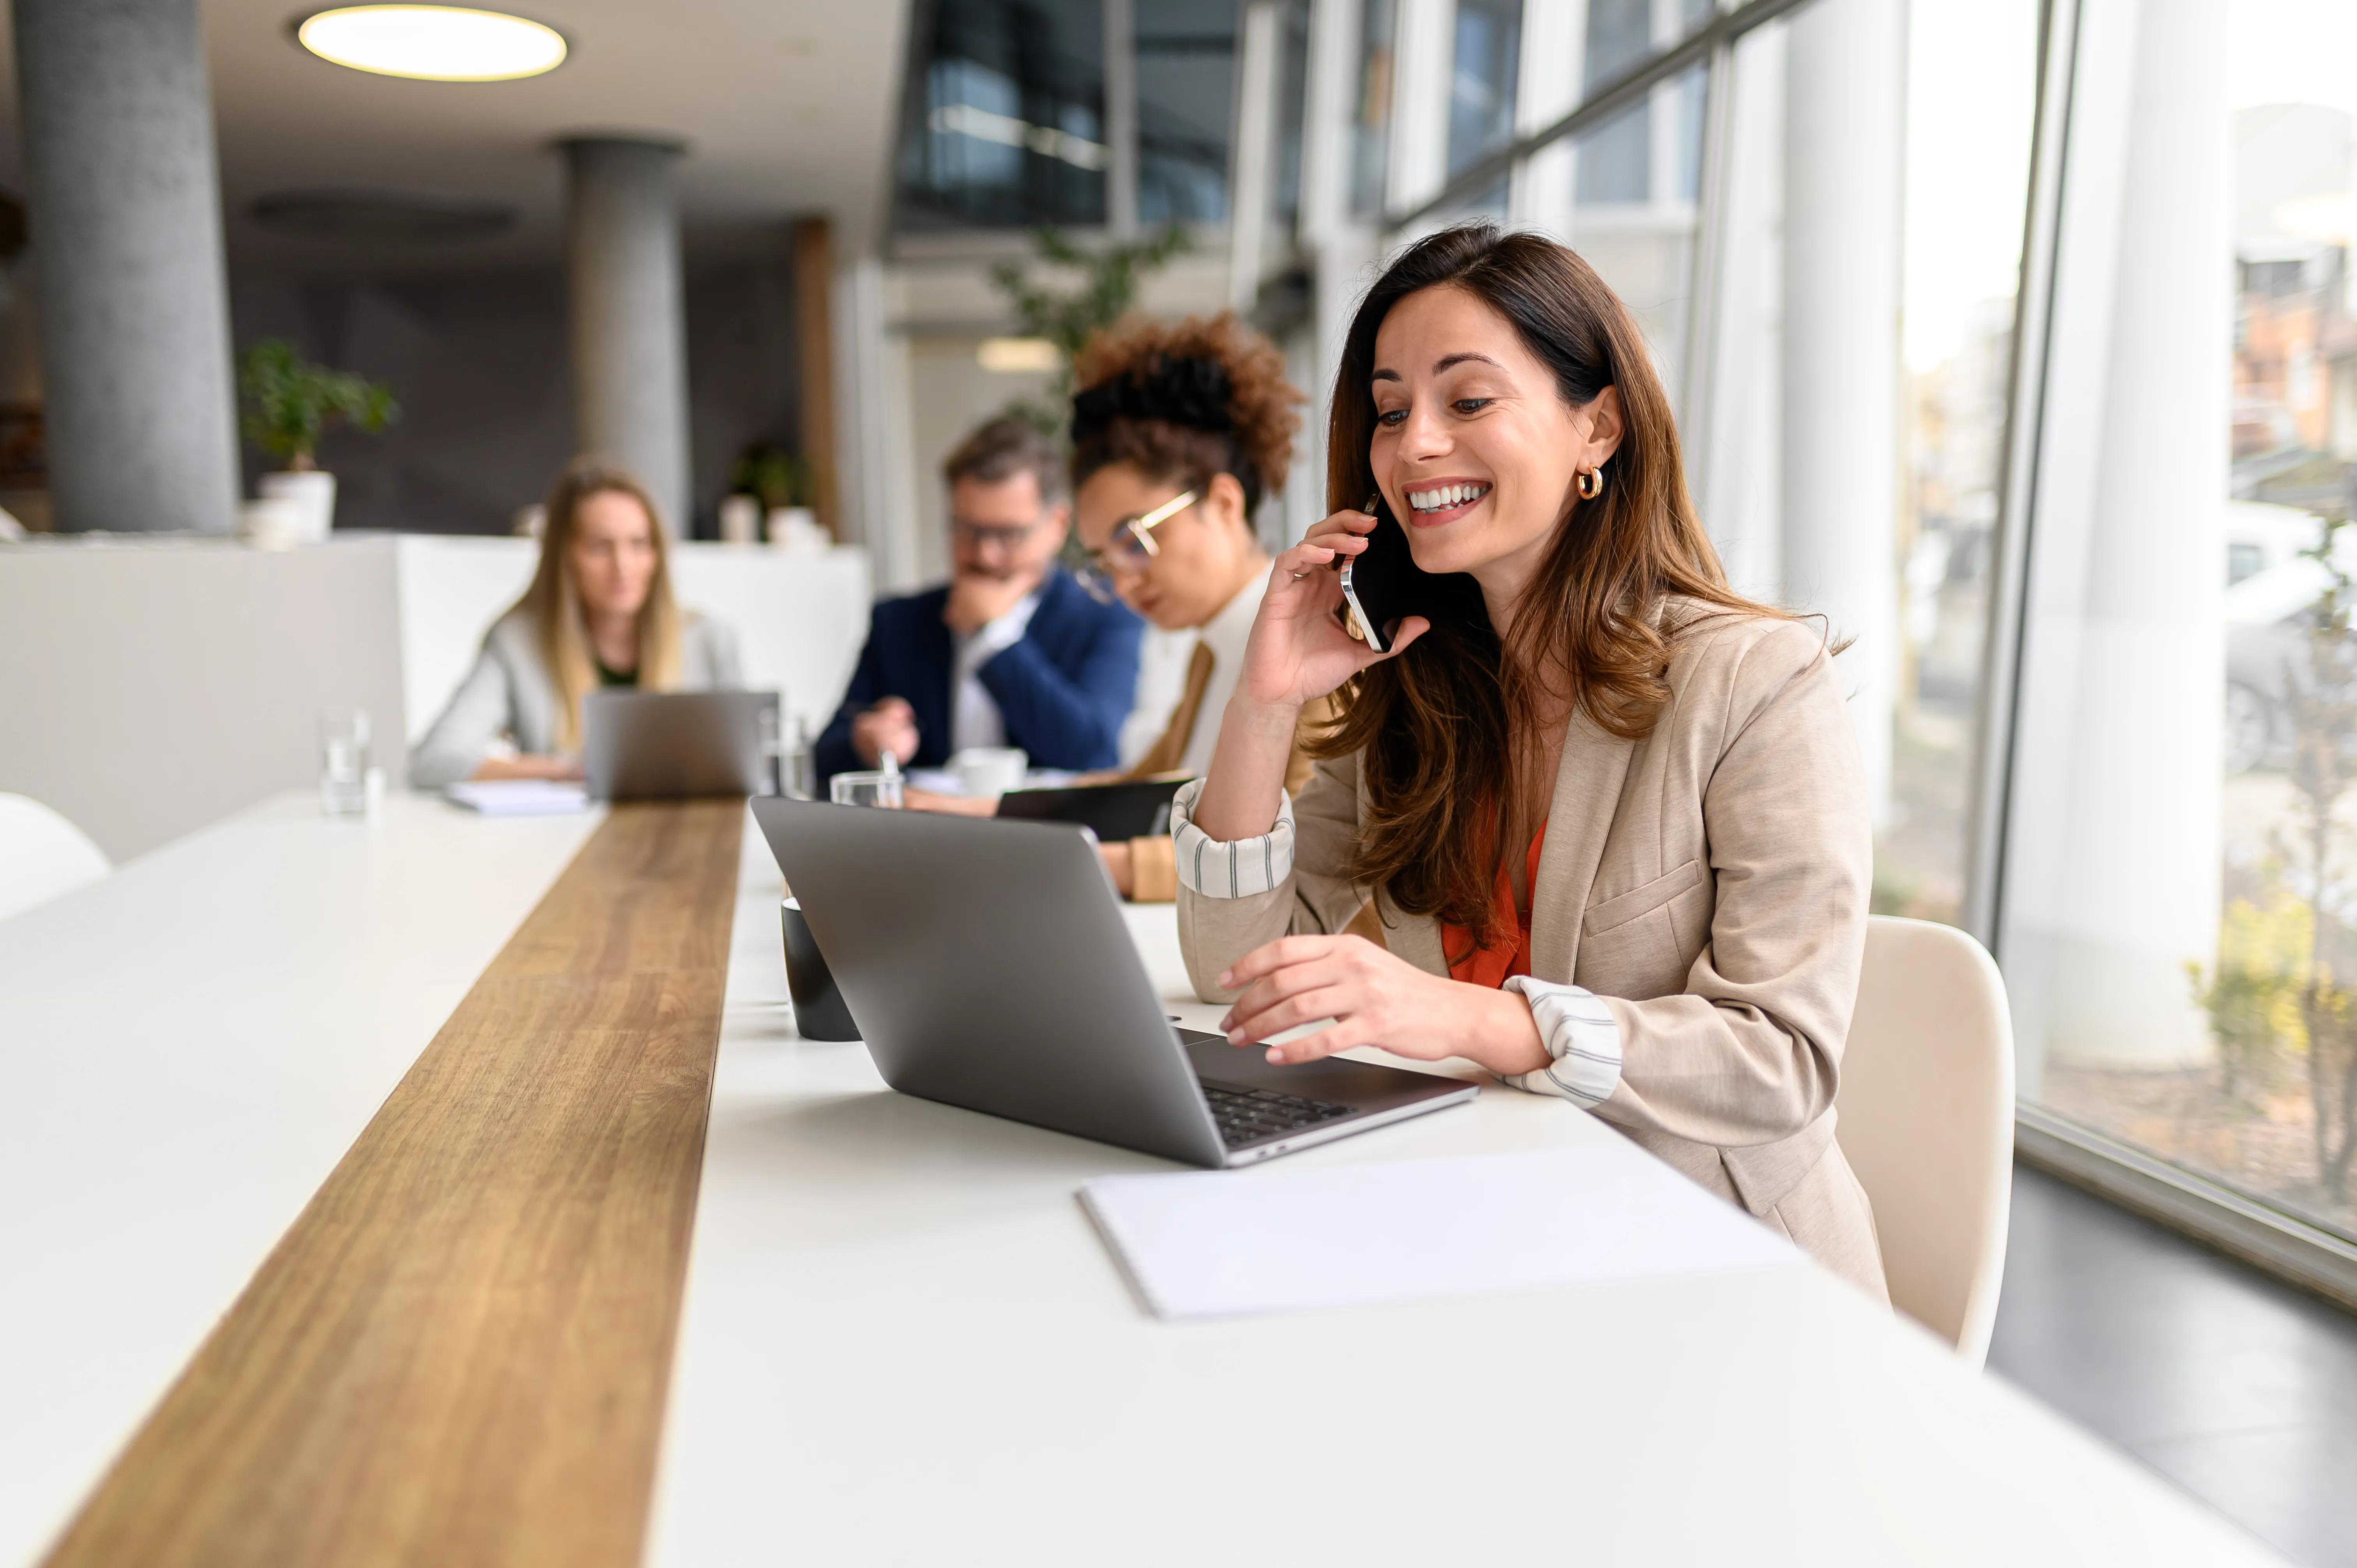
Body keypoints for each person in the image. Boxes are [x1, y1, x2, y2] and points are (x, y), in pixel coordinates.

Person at [1172, 223, 1885, 1298]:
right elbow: (1235, 963)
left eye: (1468, 402)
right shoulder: (1418, 686)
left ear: (1596, 427)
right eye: (1393, 408)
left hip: (1715, 1273)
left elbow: (1778, 1063)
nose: (1415, 446)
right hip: (1488, 1230)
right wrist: (1263, 705)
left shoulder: (1756, 684)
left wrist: (1474, 1021)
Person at [1065, 312, 1320, 901]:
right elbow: (1141, 792)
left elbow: (1304, 841)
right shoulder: (1211, 651)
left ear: (1224, 502)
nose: (1125, 582)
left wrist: (1092, 866)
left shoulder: (1311, 648)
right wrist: (969, 815)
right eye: (1106, 560)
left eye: (1135, 541)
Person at [813, 417, 1141, 784]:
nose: (985, 555)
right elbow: (823, 758)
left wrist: (995, 636)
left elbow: (1092, 754)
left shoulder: (1105, 616)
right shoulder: (899, 622)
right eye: (967, 531)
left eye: (1008, 535)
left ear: (1057, 526)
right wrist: (865, 740)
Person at [409, 459, 742, 789]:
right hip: (566, 836)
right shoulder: (516, 644)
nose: (623, 566)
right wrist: (565, 770)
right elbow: (434, 762)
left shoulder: (710, 640)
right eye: (601, 547)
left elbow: (748, 765)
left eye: (639, 544)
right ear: (566, 556)